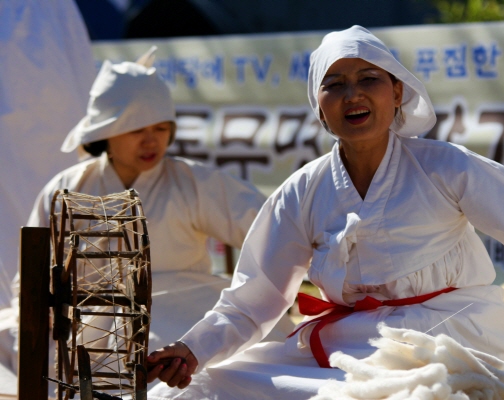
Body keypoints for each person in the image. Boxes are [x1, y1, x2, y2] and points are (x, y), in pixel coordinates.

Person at [146, 26, 504, 399]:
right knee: (200, 386)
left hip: (451, 335)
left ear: (397, 92)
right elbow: (250, 302)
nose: (352, 94)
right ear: (319, 108)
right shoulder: (302, 191)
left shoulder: (442, 165)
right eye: (334, 84)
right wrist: (192, 349)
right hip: (351, 342)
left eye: (368, 79)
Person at [0, 48, 295, 387]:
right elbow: (34, 270)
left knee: (195, 357)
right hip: (88, 316)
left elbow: (275, 232)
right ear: (106, 132)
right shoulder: (69, 186)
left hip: (184, 302)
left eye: (160, 127)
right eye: (135, 129)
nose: (151, 140)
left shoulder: (194, 181)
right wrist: (42, 312)